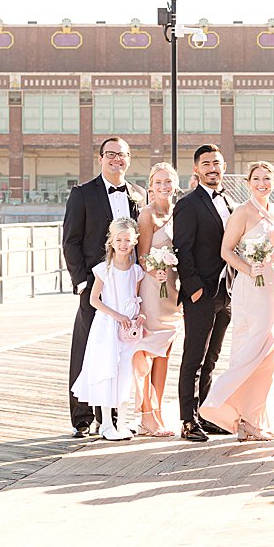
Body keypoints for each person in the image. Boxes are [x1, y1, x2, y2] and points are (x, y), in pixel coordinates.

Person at [62, 136, 143, 437]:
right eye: (110, 154)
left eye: (122, 155)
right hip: (96, 284)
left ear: (129, 159)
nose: (116, 160)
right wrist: (82, 281)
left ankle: (108, 416)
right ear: (100, 158)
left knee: (118, 353)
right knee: (86, 349)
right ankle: (82, 417)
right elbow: (70, 240)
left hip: (126, 286)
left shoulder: (138, 194)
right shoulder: (82, 194)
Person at [200, 161, 274, 441]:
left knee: (269, 354)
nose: (262, 183)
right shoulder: (242, 212)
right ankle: (224, 407)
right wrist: (250, 269)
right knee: (251, 351)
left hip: (273, 288)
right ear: (248, 182)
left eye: (267, 178)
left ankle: (252, 420)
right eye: (257, 178)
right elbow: (226, 251)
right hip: (251, 287)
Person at [173, 144, 236, 442]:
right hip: (201, 293)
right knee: (194, 358)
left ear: (224, 167)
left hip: (227, 293)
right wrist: (194, 288)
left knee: (212, 358)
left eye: (217, 163)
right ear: (196, 168)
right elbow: (182, 249)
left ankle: (205, 415)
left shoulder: (230, 202)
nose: (213, 168)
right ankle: (188, 420)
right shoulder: (188, 204)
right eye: (206, 163)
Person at [70, 217, 147, 441]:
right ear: (111, 242)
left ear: (134, 242)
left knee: (124, 374)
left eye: (128, 240)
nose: (123, 244)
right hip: (106, 328)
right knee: (106, 372)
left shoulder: (136, 272)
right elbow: (94, 300)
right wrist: (116, 315)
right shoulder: (104, 270)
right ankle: (105, 423)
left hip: (127, 331)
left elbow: (135, 299)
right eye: (119, 240)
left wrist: (138, 315)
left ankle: (121, 423)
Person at [135, 162, 183, 437]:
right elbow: (141, 257)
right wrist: (156, 270)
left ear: (176, 185)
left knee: (165, 353)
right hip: (153, 290)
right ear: (151, 185)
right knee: (149, 353)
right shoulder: (147, 216)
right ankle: (145, 414)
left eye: (169, 182)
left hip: (173, 290)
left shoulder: (179, 213)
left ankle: (159, 411)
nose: (164, 187)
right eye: (159, 182)